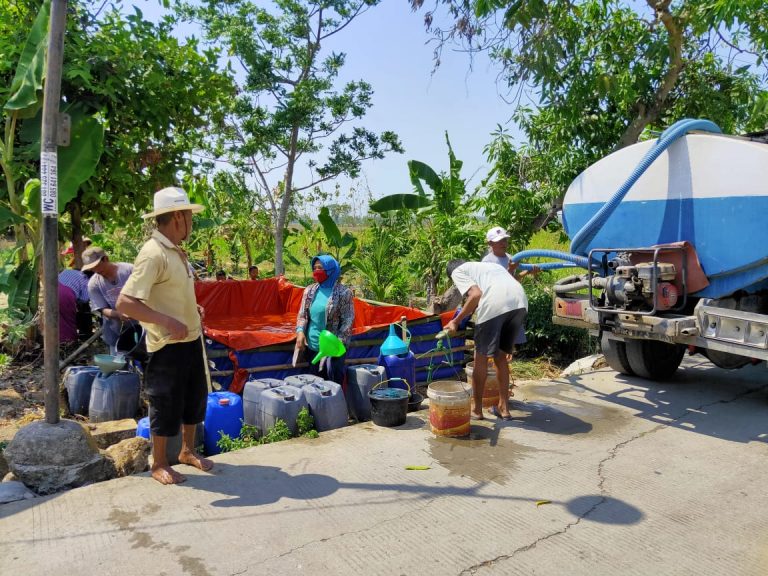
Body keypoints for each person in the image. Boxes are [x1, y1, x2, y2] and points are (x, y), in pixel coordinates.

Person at [116, 186, 213, 485]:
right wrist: (168, 321)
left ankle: (187, 451)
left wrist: (190, 308)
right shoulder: (153, 252)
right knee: (165, 401)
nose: (191, 222)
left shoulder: (175, 250)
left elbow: (170, 292)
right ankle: (159, 463)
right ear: (178, 218)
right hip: (167, 344)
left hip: (190, 339)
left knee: (194, 398)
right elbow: (125, 303)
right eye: (189, 216)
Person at [443, 259, 528, 421]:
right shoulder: (489, 267)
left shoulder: (457, 271)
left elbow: (475, 295)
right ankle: (504, 408)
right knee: (500, 357)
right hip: (520, 302)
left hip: (496, 305)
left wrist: (456, 321)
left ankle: (476, 410)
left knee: (480, 359)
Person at [294, 255, 354, 384]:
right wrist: (300, 332)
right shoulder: (310, 291)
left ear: (331, 269)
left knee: (332, 386)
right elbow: (302, 315)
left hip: (333, 349)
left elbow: (347, 321)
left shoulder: (343, 293)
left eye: (320, 268)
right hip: (312, 347)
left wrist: (335, 344)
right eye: (314, 268)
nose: (316, 271)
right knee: (314, 387)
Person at [82, 246, 134, 355]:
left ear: (105, 259)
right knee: (118, 365)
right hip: (115, 330)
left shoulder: (129, 270)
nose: (95, 270)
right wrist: (119, 315)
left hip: (141, 326)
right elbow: (102, 309)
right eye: (92, 268)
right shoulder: (94, 284)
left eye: (96, 266)